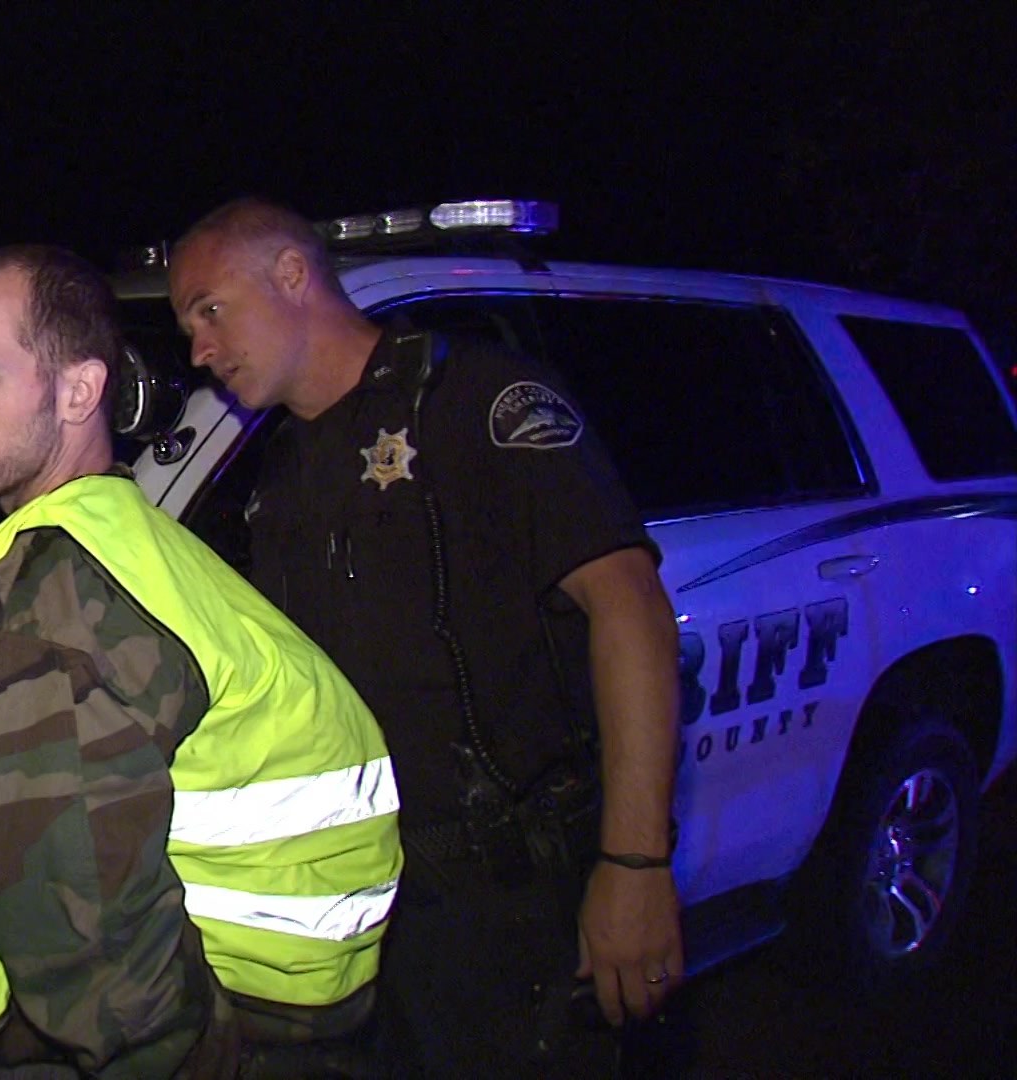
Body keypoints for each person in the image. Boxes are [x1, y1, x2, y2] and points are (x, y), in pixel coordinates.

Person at [0, 245, 406, 1078]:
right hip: (301, 1016)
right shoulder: (130, 540)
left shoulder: (54, 593)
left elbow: (95, 969)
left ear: (79, 391)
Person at [167, 199, 683, 1077]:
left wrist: (634, 862)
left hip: (513, 901)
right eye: (188, 329)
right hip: (377, 906)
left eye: (210, 310)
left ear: (291, 275)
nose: (199, 351)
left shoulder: (475, 401)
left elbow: (628, 606)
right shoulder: (281, 473)